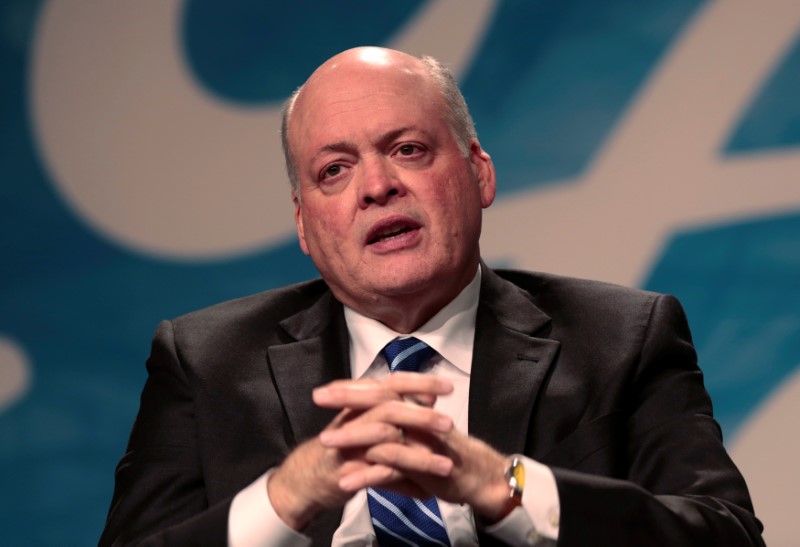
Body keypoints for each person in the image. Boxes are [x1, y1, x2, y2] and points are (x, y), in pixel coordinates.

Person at [100, 47, 764, 546]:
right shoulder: (206, 359)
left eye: (409, 149)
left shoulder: (623, 337)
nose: (376, 186)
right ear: (304, 224)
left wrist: (505, 487)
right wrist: (282, 499)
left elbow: (727, 536)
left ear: (479, 173)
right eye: (335, 169)